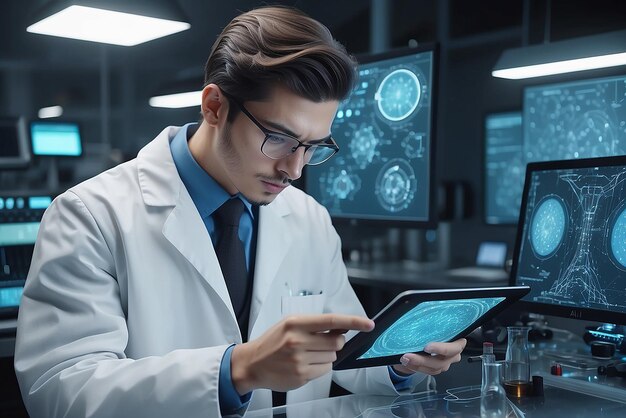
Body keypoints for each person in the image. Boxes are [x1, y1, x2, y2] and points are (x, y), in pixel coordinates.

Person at [14, 6, 465, 418]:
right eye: (280, 138)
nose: (293, 169)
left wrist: (402, 361)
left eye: (312, 147)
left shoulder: (308, 219)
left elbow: (343, 354)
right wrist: (235, 371)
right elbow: (60, 391)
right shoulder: (90, 215)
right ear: (214, 106)